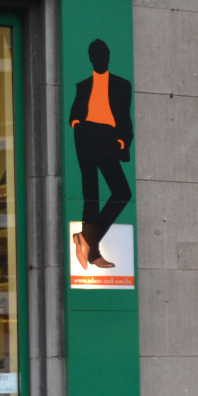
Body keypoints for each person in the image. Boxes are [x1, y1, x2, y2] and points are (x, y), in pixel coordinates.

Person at [69, 38, 133, 270]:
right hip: (86, 134)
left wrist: (122, 140)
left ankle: (86, 238)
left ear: (108, 58)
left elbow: (125, 117)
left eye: (104, 55)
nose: (101, 60)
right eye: (97, 56)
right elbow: (74, 113)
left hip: (107, 136)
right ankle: (93, 252)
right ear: (92, 59)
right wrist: (78, 125)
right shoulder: (82, 85)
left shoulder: (121, 84)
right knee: (91, 194)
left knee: (122, 192)